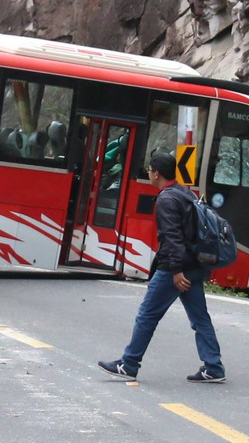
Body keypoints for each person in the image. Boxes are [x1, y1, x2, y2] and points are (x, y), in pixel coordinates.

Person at [97, 149, 226, 383]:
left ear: (156, 174)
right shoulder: (184, 192)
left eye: (149, 170)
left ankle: (129, 363)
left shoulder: (167, 199)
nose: (148, 173)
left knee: (147, 314)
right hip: (195, 264)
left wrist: (176, 271)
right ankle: (213, 366)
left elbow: (172, 238)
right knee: (199, 318)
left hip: (174, 269)